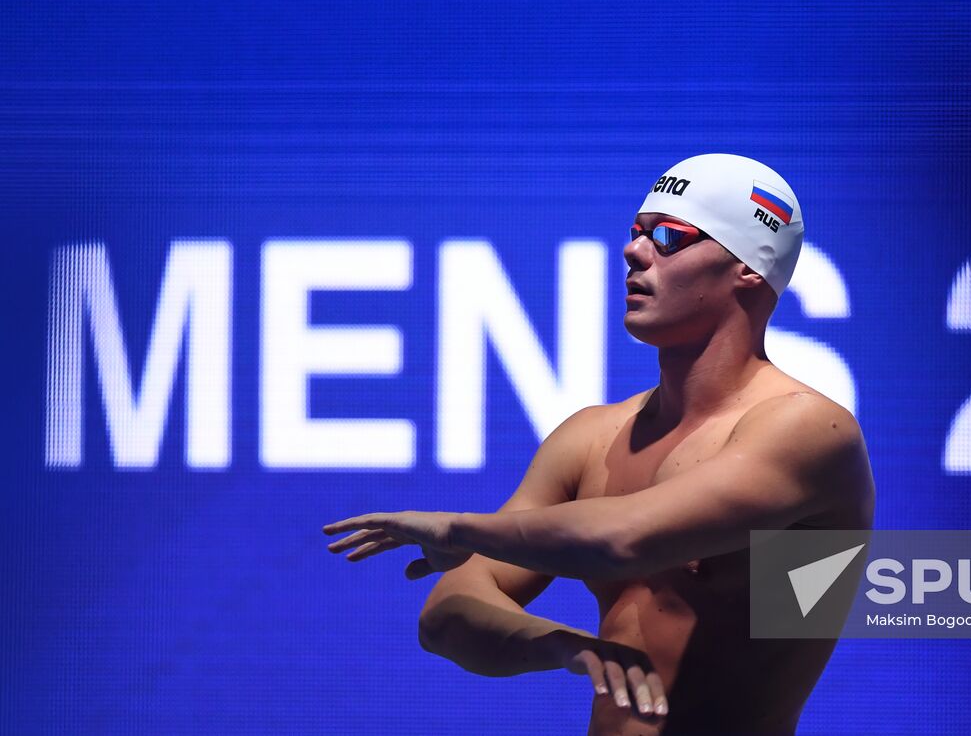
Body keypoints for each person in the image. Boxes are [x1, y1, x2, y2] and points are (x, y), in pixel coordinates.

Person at [323, 154, 875, 735]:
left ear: (747, 270)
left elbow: (626, 539)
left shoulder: (809, 430)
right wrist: (565, 647)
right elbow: (447, 612)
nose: (635, 251)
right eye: (637, 232)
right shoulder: (590, 436)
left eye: (669, 237)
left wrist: (456, 528)